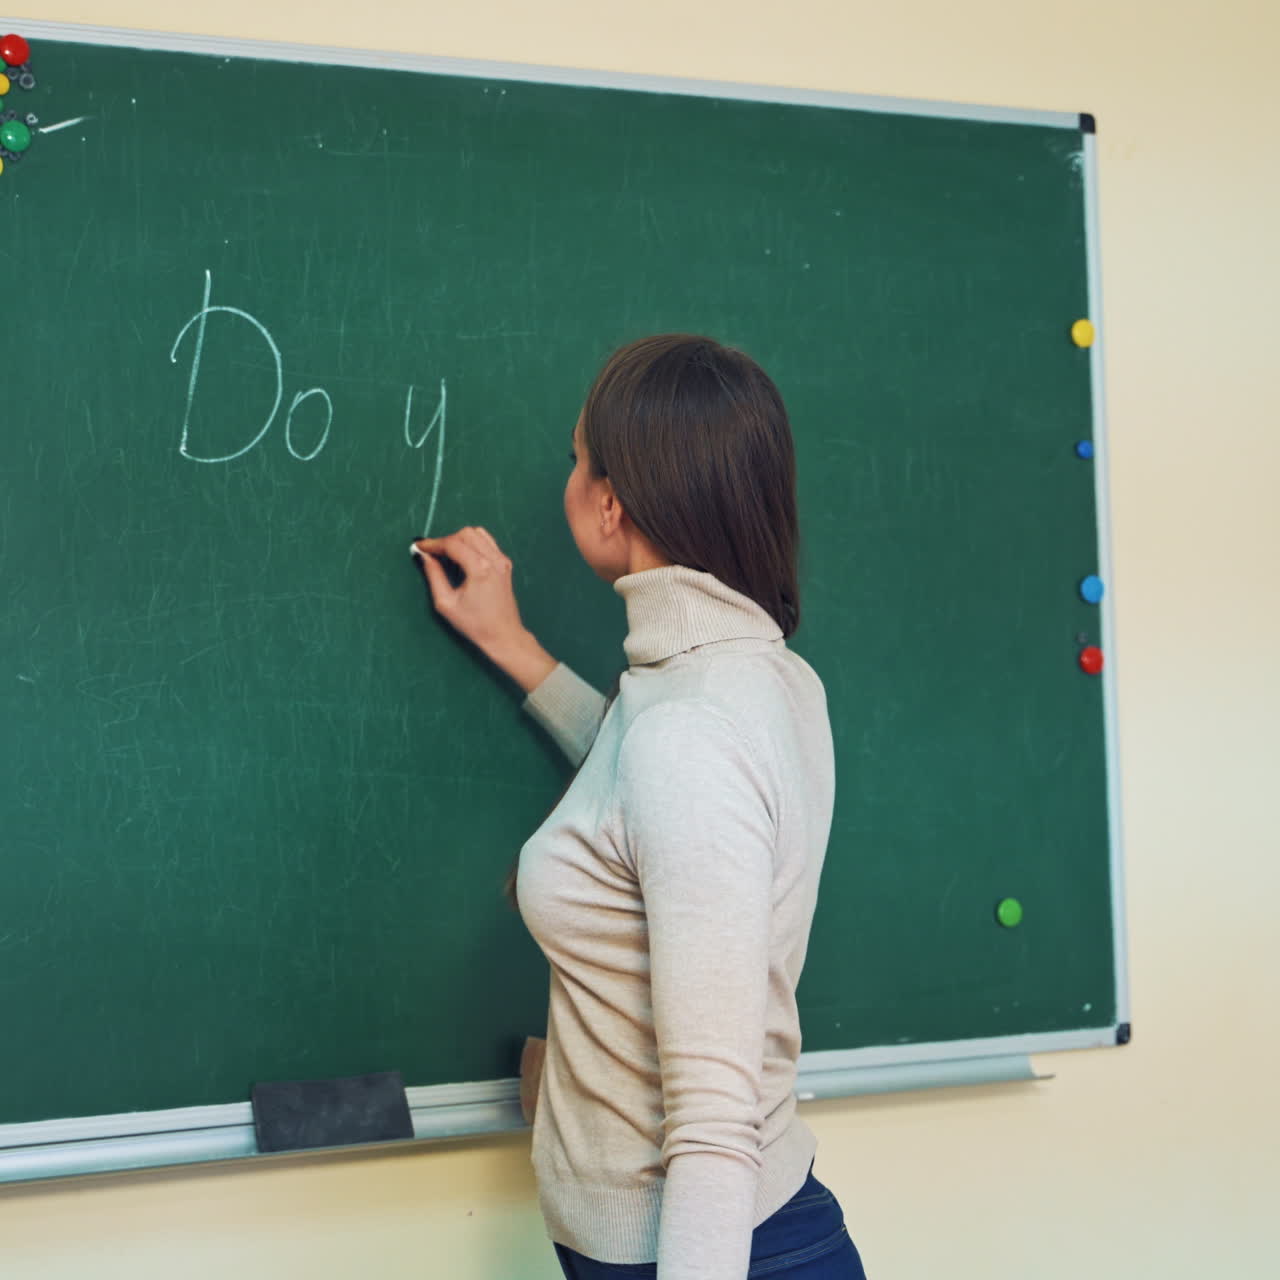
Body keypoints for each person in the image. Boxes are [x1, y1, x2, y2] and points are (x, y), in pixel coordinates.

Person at [413, 335, 865, 1280]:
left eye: (578, 458)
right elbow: (655, 806)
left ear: (612, 502)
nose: (570, 477)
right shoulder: (761, 683)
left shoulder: (688, 734)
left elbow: (711, 1121)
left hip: (706, 1252)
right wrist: (518, 649)